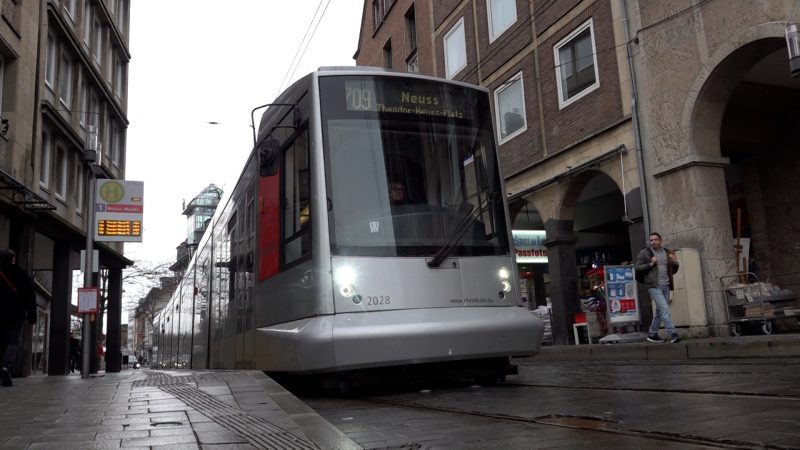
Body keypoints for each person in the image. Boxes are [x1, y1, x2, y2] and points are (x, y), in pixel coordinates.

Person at [634, 232, 680, 343]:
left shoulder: (667, 252)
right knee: (664, 309)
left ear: (660, 241)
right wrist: (651, 264)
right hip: (654, 286)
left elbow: (672, 270)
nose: (653, 242)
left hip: (666, 285)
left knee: (659, 311)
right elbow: (637, 268)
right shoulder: (645, 253)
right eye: (651, 240)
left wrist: (675, 263)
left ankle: (652, 334)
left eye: (655, 239)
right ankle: (673, 333)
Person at [0, 249, 37, 387]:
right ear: (13, 259)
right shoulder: (21, 275)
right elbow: (30, 297)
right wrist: (32, 316)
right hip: (15, 314)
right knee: (12, 342)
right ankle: (6, 367)